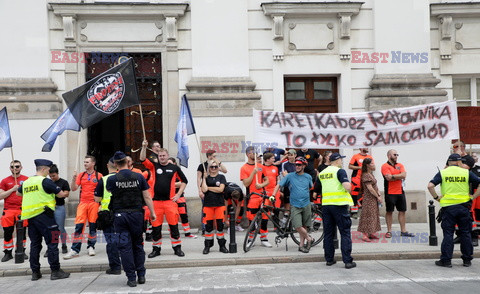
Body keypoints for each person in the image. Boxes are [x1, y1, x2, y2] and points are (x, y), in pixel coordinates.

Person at [106, 151, 156, 287]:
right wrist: (152, 213)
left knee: (125, 247)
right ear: (127, 162)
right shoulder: (139, 177)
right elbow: (146, 196)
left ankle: (131, 278)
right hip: (136, 215)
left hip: (119, 215)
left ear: (115, 164)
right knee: (138, 245)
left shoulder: (112, 179)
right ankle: (141, 275)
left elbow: (110, 191)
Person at [17, 159, 70, 281]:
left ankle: (35, 273)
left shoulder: (27, 181)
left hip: (31, 218)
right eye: (48, 169)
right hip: (46, 217)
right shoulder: (45, 181)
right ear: (43, 169)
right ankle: (55, 271)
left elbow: (18, 194)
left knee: (35, 245)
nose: (49, 171)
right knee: (53, 243)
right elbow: (61, 194)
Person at [427, 153, 480, 268]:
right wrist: (473, 196)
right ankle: (467, 260)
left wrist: (436, 198)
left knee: (448, 234)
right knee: (465, 233)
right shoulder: (466, 172)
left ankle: (446, 260)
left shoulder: (443, 172)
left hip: (449, 208)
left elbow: (430, 185)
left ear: (449, 162)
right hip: (464, 207)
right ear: (458, 162)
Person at [140, 141, 187, 257]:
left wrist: (178, 194)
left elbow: (184, 181)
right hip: (156, 203)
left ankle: (177, 248)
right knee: (156, 227)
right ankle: (156, 249)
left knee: (174, 226)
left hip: (170, 202)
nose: (162, 158)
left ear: (167, 156)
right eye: (160, 156)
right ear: (158, 157)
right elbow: (142, 159)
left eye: (164, 156)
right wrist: (144, 147)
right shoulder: (154, 166)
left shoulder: (174, 168)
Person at [315, 152, 356, 269]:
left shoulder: (322, 173)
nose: (342, 162)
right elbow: (347, 187)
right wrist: (350, 188)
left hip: (326, 205)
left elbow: (317, 188)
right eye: (341, 160)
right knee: (345, 232)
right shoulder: (339, 171)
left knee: (328, 233)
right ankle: (347, 261)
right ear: (337, 161)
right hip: (339, 205)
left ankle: (329, 259)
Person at [272, 157, 314, 253]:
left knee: (304, 226)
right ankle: (309, 238)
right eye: (296, 165)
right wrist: (273, 195)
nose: (297, 166)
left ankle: (301, 245)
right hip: (295, 204)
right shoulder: (290, 176)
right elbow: (279, 185)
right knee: (297, 226)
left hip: (306, 204)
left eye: (299, 165)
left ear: (304, 166)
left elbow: (311, 187)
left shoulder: (308, 176)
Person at [64, 155, 103, 259]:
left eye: (87, 162)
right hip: (83, 204)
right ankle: (75, 249)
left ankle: (91, 246)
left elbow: (102, 192)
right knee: (79, 226)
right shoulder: (81, 175)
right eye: (84, 162)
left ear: (93, 163)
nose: (85, 164)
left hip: (94, 204)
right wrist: (73, 179)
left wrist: (101, 205)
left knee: (93, 227)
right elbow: (73, 189)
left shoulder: (99, 175)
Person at [94, 158, 121, 275]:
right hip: (123, 213)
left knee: (111, 242)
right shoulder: (123, 178)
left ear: (107, 166)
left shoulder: (103, 180)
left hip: (108, 215)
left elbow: (97, 199)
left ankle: (115, 267)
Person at [241, 146, 271, 247]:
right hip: (252, 197)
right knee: (251, 219)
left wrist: (261, 185)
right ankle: (251, 239)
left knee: (265, 217)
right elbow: (246, 183)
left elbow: (267, 180)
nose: (253, 154)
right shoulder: (244, 168)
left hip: (262, 196)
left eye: (255, 152)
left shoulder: (261, 166)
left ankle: (264, 238)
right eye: (251, 152)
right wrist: (253, 174)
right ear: (247, 154)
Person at [381, 150, 414, 238]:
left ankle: (403, 231)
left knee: (402, 211)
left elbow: (404, 175)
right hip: (390, 192)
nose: (396, 156)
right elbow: (388, 178)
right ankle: (389, 231)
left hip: (400, 191)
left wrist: (393, 176)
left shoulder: (400, 165)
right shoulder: (385, 166)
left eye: (397, 154)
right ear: (389, 156)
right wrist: (397, 176)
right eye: (394, 154)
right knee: (389, 211)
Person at [0, 160, 28, 262]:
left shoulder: (26, 180)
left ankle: (21, 250)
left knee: (22, 232)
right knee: (8, 232)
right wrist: (12, 189)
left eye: (17, 166)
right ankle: (8, 252)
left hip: (22, 210)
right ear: (10, 168)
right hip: (8, 210)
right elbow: (0, 196)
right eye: (12, 167)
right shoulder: (5, 181)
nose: (14, 168)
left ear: (21, 167)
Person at [197, 150, 227, 235]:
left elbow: (225, 171)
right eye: (214, 156)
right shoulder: (202, 165)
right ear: (209, 156)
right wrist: (200, 190)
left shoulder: (216, 165)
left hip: (217, 199)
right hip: (205, 192)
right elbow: (198, 178)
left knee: (219, 218)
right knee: (206, 211)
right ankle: (204, 228)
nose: (213, 168)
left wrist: (219, 162)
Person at [201, 160, 229, 254]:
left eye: (215, 167)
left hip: (219, 205)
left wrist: (209, 188)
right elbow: (204, 189)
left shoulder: (221, 177)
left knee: (220, 226)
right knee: (208, 227)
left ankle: (222, 246)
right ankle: (207, 246)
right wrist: (204, 179)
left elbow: (221, 189)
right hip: (208, 205)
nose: (213, 168)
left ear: (218, 168)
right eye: (211, 167)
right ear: (208, 168)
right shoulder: (206, 178)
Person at [169, 157, 197, 239]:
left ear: (174, 164)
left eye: (171, 163)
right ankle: (174, 233)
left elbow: (183, 182)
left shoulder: (178, 172)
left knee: (184, 215)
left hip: (180, 197)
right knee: (173, 216)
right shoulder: (166, 173)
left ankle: (187, 233)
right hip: (170, 198)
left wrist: (171, 184)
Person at [356, 158, 382, 242]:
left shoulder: (370, 174)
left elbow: (375, 186)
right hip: (368, 199)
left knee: (373, 215)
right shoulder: (366, 175)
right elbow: (370, 188)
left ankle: (370, 232)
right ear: (367, 165)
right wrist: (377, 196)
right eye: (372, 163)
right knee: (367, 216)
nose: (373, 165)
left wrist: (379, 194)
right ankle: (364, 235)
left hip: (373, 198)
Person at [48, 164, 70, 255]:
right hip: (49, 208)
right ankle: (52, 246)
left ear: (57, 173)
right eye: (50, 176)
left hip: (59, 207)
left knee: (60, 228)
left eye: (54, 176)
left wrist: (57, 193)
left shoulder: (63, 182)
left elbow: (66, 194)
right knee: (50, 229)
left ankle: (64, 244)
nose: (52, 178)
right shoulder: (48, 182)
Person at [348, 148, 373, 218]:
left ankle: (365, 210)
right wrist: (360, 167)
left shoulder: (369, 157)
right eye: (365, 146)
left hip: (366, 177)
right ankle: (354, 212)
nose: (367, 148)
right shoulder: (355, 156)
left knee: (367, 193)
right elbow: (350, 166)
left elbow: (373, 167)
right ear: (360, 148)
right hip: (356, 178)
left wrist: (369, 167)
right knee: (354, 194)